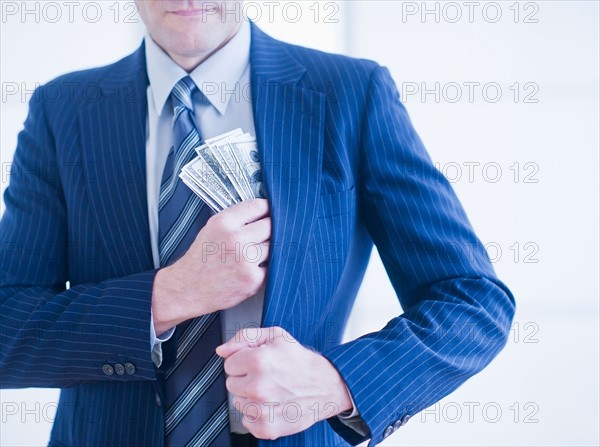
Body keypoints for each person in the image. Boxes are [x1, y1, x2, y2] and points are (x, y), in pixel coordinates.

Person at [0, 1, 515, 446]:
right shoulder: (61, 109)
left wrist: (336, 381)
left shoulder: (351, 94)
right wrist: (169, 295)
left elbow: (474, 302)